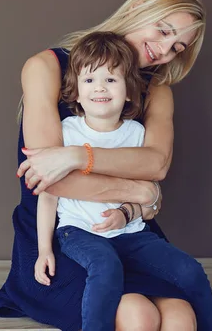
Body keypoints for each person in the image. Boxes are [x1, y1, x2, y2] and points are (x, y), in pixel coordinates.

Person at [0, 0, 212, 331]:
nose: (164, 51)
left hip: (125, 227)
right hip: (60, 235)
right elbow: (49, 178)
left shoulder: (157, 89)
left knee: (181, 316)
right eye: (162, 31)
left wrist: (75, 157)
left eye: (177, 46)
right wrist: (139, 193)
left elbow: (157, 162)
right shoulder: (47, 66)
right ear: (136, 9)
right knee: (138, 315)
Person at [35, 31, 162, 331]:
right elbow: (48, 194)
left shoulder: (136, 134)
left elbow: (150, 196)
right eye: (90, 80)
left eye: (111, 80)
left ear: (129, 90)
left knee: (178, 296)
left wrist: (127, 212)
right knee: (106, 268)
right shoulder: (67, 132)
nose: (100, 88)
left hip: (128, 233)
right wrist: (44, 250)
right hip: (78, 233)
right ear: (76, 91)